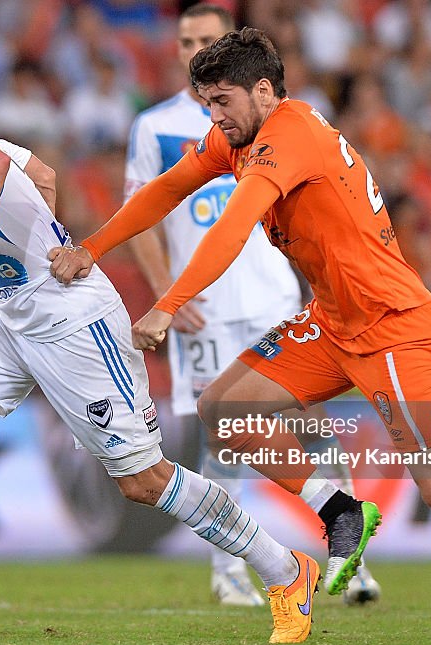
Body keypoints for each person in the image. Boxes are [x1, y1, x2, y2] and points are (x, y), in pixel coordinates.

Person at [50, 28, 431, 645]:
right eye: (207, 103)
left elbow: (231, 228)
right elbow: (166, 190)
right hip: (334, 323)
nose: (214, 116)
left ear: (263, 91)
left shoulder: (289, 134)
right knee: (223, 410)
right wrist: (89, 249)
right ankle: (339, 510)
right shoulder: (238, 135)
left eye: (223, 101)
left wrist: (167, 306)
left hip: (391, 327)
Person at [0, 48, 376, 644]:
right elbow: (40, 175)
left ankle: (285, 570)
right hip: (9, 314)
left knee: (143, 481)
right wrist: (31, 243)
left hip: (73, 323)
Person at [124, 3, 379, 607]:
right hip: (203, 307)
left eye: (205, 39)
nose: (192, 48)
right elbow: (144, 215)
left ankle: (352, 559)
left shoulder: (283, 121)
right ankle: (230, 568)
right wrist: (168, 295)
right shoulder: (155, 127)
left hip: (273, 294)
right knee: (225, 435)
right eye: (185, 39)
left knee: (308, 424)